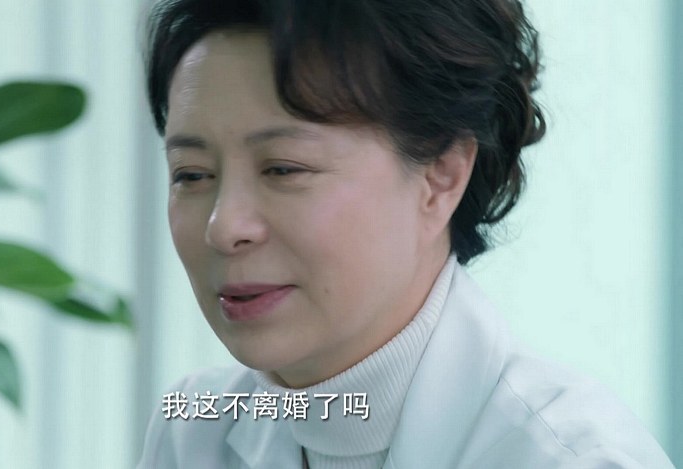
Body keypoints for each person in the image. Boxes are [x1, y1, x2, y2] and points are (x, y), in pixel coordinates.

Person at [137, 0, 674, 467]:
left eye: (283, 168)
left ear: (441, 176)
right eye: (192, 175)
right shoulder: (195, 431)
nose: (224, 227)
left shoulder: (570, 457)